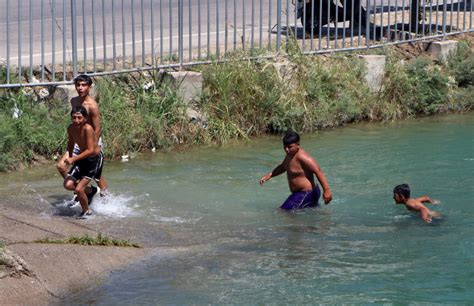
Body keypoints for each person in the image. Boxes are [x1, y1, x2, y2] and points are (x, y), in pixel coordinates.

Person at [56, 74, 109, 196]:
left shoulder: (92, 105)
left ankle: (106, 199)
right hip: (78, 140)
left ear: (89, 87)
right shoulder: (74, 101)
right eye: (78, 85)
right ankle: (86, 191)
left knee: (96, 175)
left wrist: (93, 147)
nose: (80, 88)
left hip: (92, 141)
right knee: (61, 166)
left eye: (83, 85)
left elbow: (97, 128)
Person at [259, 131, 332, 210]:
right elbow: (283, 166)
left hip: (307, 193)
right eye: (285, 147)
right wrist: (270, 175)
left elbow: (318, 171)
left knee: (284, 212)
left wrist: (327, 190)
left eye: (290, 147)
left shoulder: (303, 157)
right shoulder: (289, 155)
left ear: (298, 145)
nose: (287, 149)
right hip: (301, 194)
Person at [63, 106, 104, 218]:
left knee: (79, 189)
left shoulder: (88, 129)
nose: (76, 121)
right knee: (68, 184)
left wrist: (74, 159)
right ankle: (91, 191)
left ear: (85, 118)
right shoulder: (71, 128)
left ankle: (87, 211)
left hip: (94, 159)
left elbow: (90, 150)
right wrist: (70, 157)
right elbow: (71, 143)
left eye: (79, 118)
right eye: (74, 117)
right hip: (82, 157)